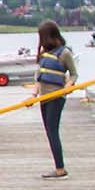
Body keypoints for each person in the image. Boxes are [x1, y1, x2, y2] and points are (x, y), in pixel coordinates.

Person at [37, 20, 79, 179]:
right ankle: (59, 167)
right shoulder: (44, 54)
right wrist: (33, 95)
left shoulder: (64, 53)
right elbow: (38, 76)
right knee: (49, 132)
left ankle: (60, 169)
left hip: (56, 97)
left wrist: (69, 85)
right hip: (44, 97)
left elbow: (74, 74)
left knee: (53, 132)